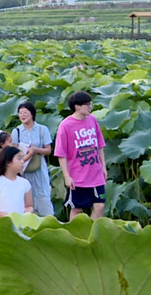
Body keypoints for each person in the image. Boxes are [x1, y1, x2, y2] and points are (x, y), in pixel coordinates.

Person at [55, 91, 107, 220]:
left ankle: (92, 234)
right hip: (78, 176)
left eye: (90, 104)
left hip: (96, 174)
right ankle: (76, 236)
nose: (90, 107)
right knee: (77, 209)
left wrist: (104, 167)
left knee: (99, 206)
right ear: (77, 106)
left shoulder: (92, 120)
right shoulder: (66, 125)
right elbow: (60, 154)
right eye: (87, 104)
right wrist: (67, 177)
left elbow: (100, 145)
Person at [11, 101, 54, 217]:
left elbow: (48, 150)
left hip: (40, 169)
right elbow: (13, 152)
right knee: (26, 200)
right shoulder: (16, 132)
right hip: (24, 170)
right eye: (20, 113)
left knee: (43, 198)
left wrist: (35, 150)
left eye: (25, 113)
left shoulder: (42, 129)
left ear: (32, 114)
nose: (22, 115)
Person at [0, 146, 33, 222]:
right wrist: (7, 217)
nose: (22, 161)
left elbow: (29, 206)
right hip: (0, 227)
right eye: (19, 158)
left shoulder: (25, 183)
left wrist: (26, 214)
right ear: (8, 162)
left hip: (20, 226)